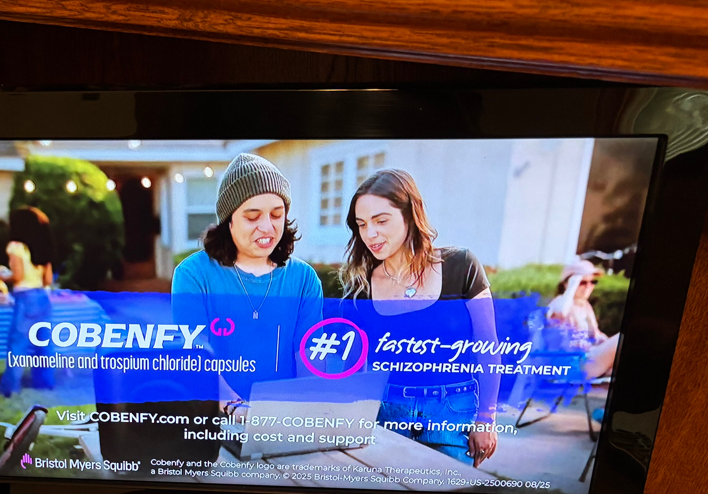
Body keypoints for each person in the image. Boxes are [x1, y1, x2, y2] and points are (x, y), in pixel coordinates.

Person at [344, 168, 500, 467]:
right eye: (362, 224)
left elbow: (488, 348)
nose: (370, 234)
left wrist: (486, 418)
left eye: (381, 221)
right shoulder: (359, 289)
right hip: (386, 412)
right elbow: (355, 366)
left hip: (453, 413)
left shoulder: (461, 266)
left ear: (410, 214)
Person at [171, 153, 324, 413]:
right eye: (253, 217)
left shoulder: (304, 279)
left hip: (285, 420)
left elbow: (310, 361)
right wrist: (236, 408)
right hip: (218, 419)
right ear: (229, 222)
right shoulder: (193, 274)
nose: (267, 227)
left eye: (276, 215)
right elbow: (195, 357)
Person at [0, 207, 57, 397]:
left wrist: (2, 276)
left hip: (25, 297)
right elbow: (48, 280)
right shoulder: (42, 246)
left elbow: (18, 275)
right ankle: (45, 382)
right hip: (43, 297)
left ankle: (10, 387)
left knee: (18, 344)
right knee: (44, 343)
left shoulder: (15, 246)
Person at [546, 259, 620, 379]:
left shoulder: (585, 306)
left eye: (592, 282)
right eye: (582, 282)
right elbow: (561, 312)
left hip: (585, 358)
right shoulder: (560, 301)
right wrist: (571, 287)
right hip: (568, 365)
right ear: (567, 283)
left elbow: (596, 336)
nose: (588, 287)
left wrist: (603, 341)